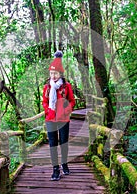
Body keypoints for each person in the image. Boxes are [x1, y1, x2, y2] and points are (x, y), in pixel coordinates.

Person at [42, 51, 76, 181]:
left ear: (60, 73)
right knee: (52, 144)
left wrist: (67, 110)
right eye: (51, 73)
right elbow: (44, 101)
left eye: (55, 73)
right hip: (50, 119)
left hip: (63, 119)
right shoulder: (47, 87)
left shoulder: (66, 86)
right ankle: (55, 169)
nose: (53, 76)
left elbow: (72, 101)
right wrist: (47, 110)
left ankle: (64, 163)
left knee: (64, 143)